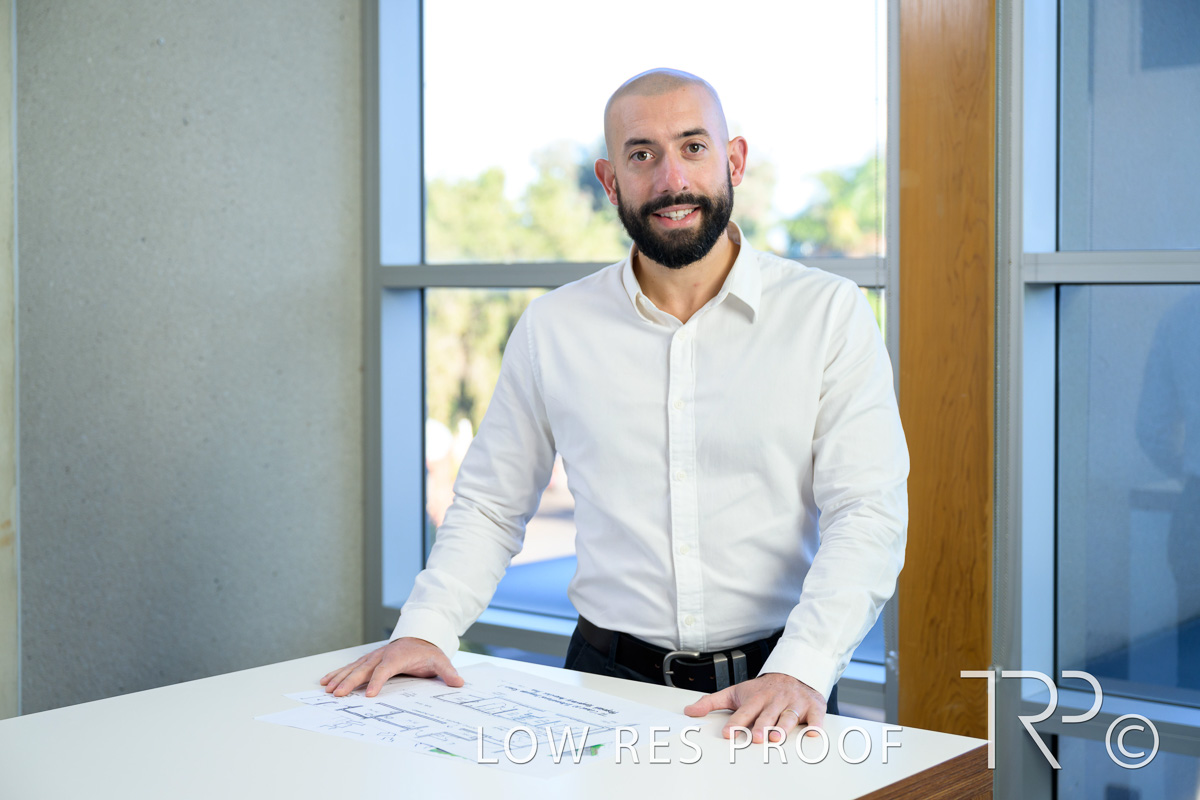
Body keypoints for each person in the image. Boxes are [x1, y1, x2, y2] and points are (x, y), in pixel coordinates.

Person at [322, 68, 909, 745]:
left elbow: (867, 511)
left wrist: (802, 668)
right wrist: (426, 630)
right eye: (642, 154)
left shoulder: (827, 314)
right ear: (610, 181)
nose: (671, 179)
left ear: (735, 161)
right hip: (602, 684)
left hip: (780, 685)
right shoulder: (553, 329)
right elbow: (490, 505)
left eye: (693, 147)